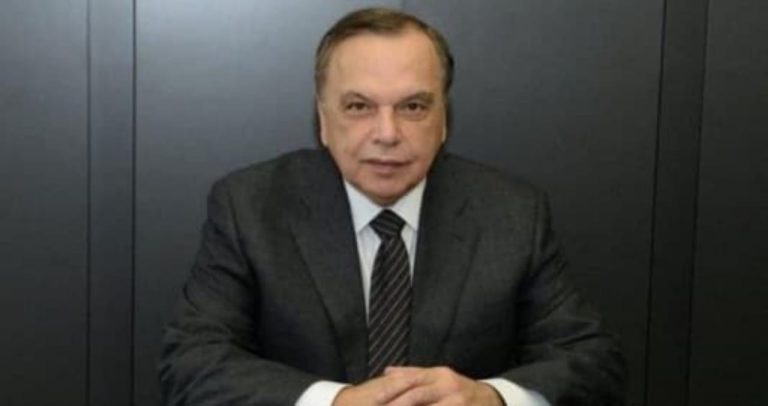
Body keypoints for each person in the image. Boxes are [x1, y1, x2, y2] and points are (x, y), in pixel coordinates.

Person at [159, 7, 626, 406]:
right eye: (359, 106)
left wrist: (491, 397)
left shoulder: (512, 213)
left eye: (413, 107)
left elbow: (592, 360)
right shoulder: (250, 206)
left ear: (444, 120)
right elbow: (192, 361)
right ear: (323, 119)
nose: (387, 133)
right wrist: (335, 402)